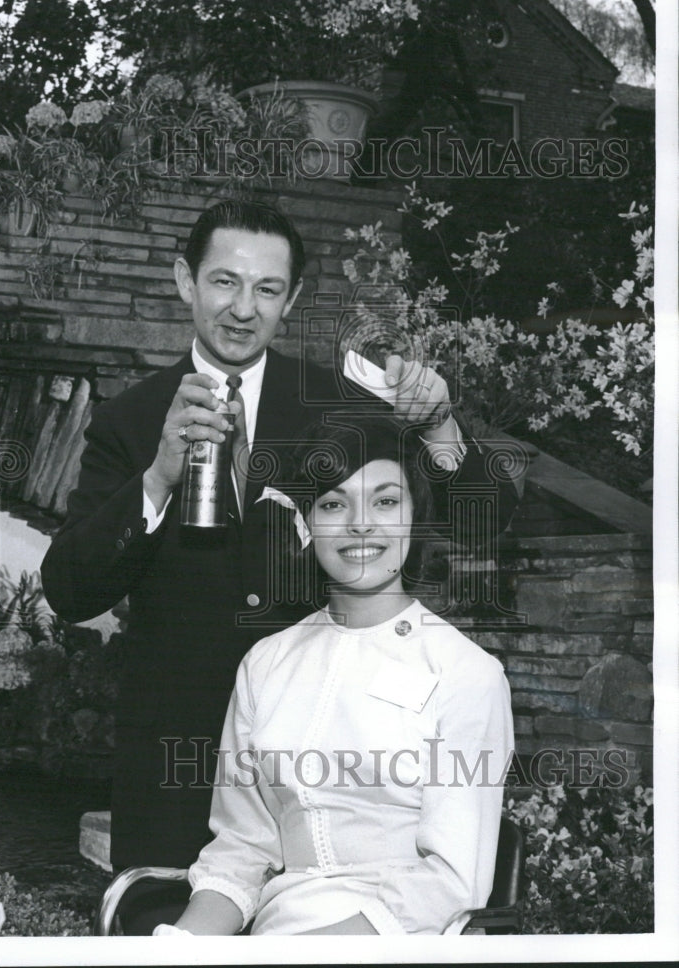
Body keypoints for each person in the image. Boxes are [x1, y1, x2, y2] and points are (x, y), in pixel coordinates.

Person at [40, 199, 517, 932]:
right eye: (224, 282)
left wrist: (441, 427)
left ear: (290, 299)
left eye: (266, 289)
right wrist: (158, 478)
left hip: (325, 778)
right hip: (177, 772)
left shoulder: (335, 401)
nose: (242, 308)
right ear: (184, 281)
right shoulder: (131, 420)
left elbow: (485, 519)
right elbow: (69, 590)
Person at [158, 419, 514, 935]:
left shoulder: (466, 674)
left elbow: (451, 881)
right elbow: (240, 851)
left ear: (416, 516)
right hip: (274, 935)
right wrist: (179, 945)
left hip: (402, 941)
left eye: (386, 502)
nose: (361, 524)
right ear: (306, 523)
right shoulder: (265, 663)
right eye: (333, 503)